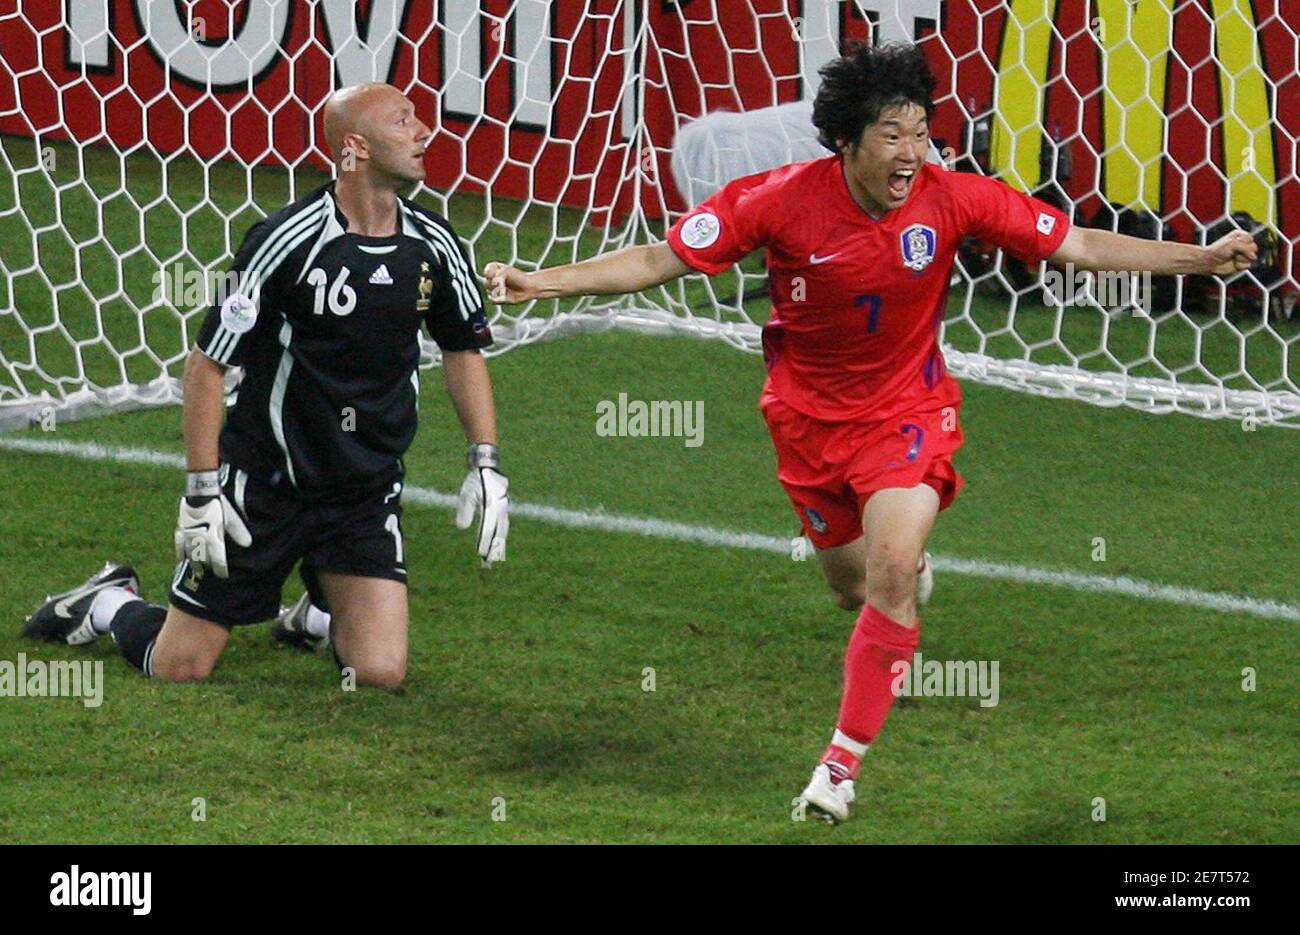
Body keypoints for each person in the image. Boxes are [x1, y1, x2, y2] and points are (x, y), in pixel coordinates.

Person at [481, 43, 1257, 821]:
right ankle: (901, 584)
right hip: (807, 420)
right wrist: (541, 280)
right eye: (892, 135)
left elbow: (1078, 243)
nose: (912, 153)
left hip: (907, 412)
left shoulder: (955, 197)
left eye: (920, 132)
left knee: (889, 563)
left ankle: (839, 767)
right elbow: (662, 256)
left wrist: (1199, 257)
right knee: (855, 585)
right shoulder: (778, 200)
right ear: (847, 141)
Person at [23, 83, 509, 689]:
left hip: (362, 491)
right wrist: (203, 492)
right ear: (355, 147)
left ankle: (313, 614)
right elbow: (207, 366)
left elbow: (464, 350)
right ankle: (106, 603)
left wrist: (484, 461)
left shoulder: (435, 245)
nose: (424, 131)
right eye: (403, 121)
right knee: (181, 666)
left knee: (380, 673)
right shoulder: (286, 241)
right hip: (266, 487)